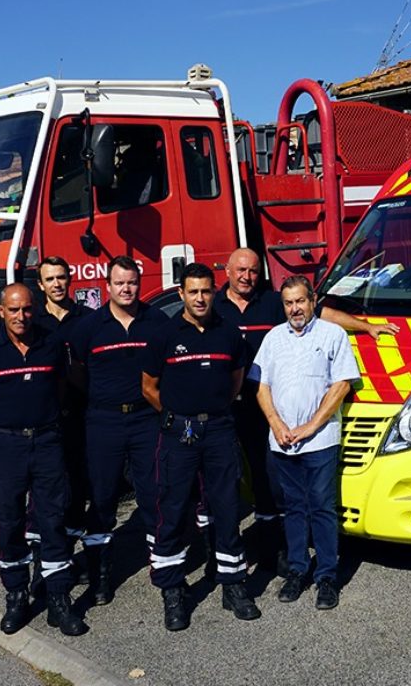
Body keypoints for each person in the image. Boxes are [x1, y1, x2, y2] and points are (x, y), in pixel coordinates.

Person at [212, 247, 396, 572]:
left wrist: (364, 327)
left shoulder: (271, 302)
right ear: (226, 271)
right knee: (226, 480)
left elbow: (324, 314)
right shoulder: (213, 307)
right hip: (232, 408)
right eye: (240, 270)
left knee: (274, 487)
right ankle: (228, 553)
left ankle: (280, 552)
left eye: (253, 270)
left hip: (271, 414)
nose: (246, 276)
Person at [143, 262, 260, 631]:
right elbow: (149, 387)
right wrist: (179, 416)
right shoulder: (164, 334)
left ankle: (233, 584)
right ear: (181, 294)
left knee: (227, 506)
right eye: (192, 291)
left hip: (220, 431)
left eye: (206, 291)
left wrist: (212, 411)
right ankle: (173, 590)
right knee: (173, 508)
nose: (199, 298)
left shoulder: (228, 333)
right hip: (180, 433)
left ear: (215, 292)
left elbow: (236, 380)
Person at [0, 284, 87, 637]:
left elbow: (61, 387)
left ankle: (58, 599)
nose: (22, 317)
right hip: (8, 444)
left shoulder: (51, 344)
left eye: (27, 310)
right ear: (1, 311)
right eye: (14, 310)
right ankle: (17, 596)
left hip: (47, 440)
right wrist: (12, 414)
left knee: (52, 519)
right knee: (9, 520)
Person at [252, 276, 359, 610]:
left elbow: (341, 385)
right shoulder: (273, 339)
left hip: (321, 441)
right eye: (288, 303)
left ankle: (327, 576)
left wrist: (311, 426)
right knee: (294, 509)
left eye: (300, 301)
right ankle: (298, 570)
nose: (294, 309)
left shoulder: (333, 335)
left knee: (322, 508)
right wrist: (277, 423)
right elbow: (261, 385)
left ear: (312, 300)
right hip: (283, 441)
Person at [68, 255, 168, 607]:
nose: (126, 289)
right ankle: (100, 575)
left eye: (132, 283)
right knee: (102, 498)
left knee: (154, 492)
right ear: (108, 286)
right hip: (104, 421)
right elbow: (77, 372)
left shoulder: (156, 321)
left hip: (145, 420)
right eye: (120, 283)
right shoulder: (89, 327)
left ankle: (164, 570)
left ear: (139, 285)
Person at [30, 257, 92, 585]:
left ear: (70, 280)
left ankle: (67, 559)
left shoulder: (87, 319)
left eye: (61, 278)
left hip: (82, 419)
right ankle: (43, 567)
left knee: (78, 491)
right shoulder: (33, 323)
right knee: (47, 496)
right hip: (46, 422)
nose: (57, 284)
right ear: (40, 285)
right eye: (49, 279)